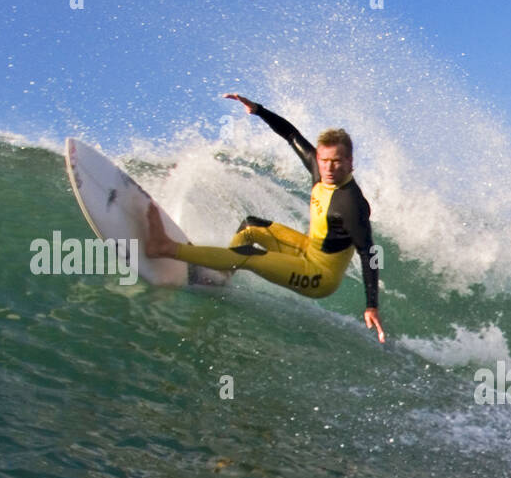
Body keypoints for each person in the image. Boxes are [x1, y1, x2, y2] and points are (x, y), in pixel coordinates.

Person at [144, 93, 385, 343]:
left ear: (350, 162)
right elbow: (291, 135)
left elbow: (369, 253)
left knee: (248, 255)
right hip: (307, 250)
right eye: (324, 161)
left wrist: (371, 306)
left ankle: (166, 247)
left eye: (336, 162)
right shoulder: (321, 170)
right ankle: (221, 276)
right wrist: (258, 110)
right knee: (251, 227)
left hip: (318, 276)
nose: (329, 168)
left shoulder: (351, 204)